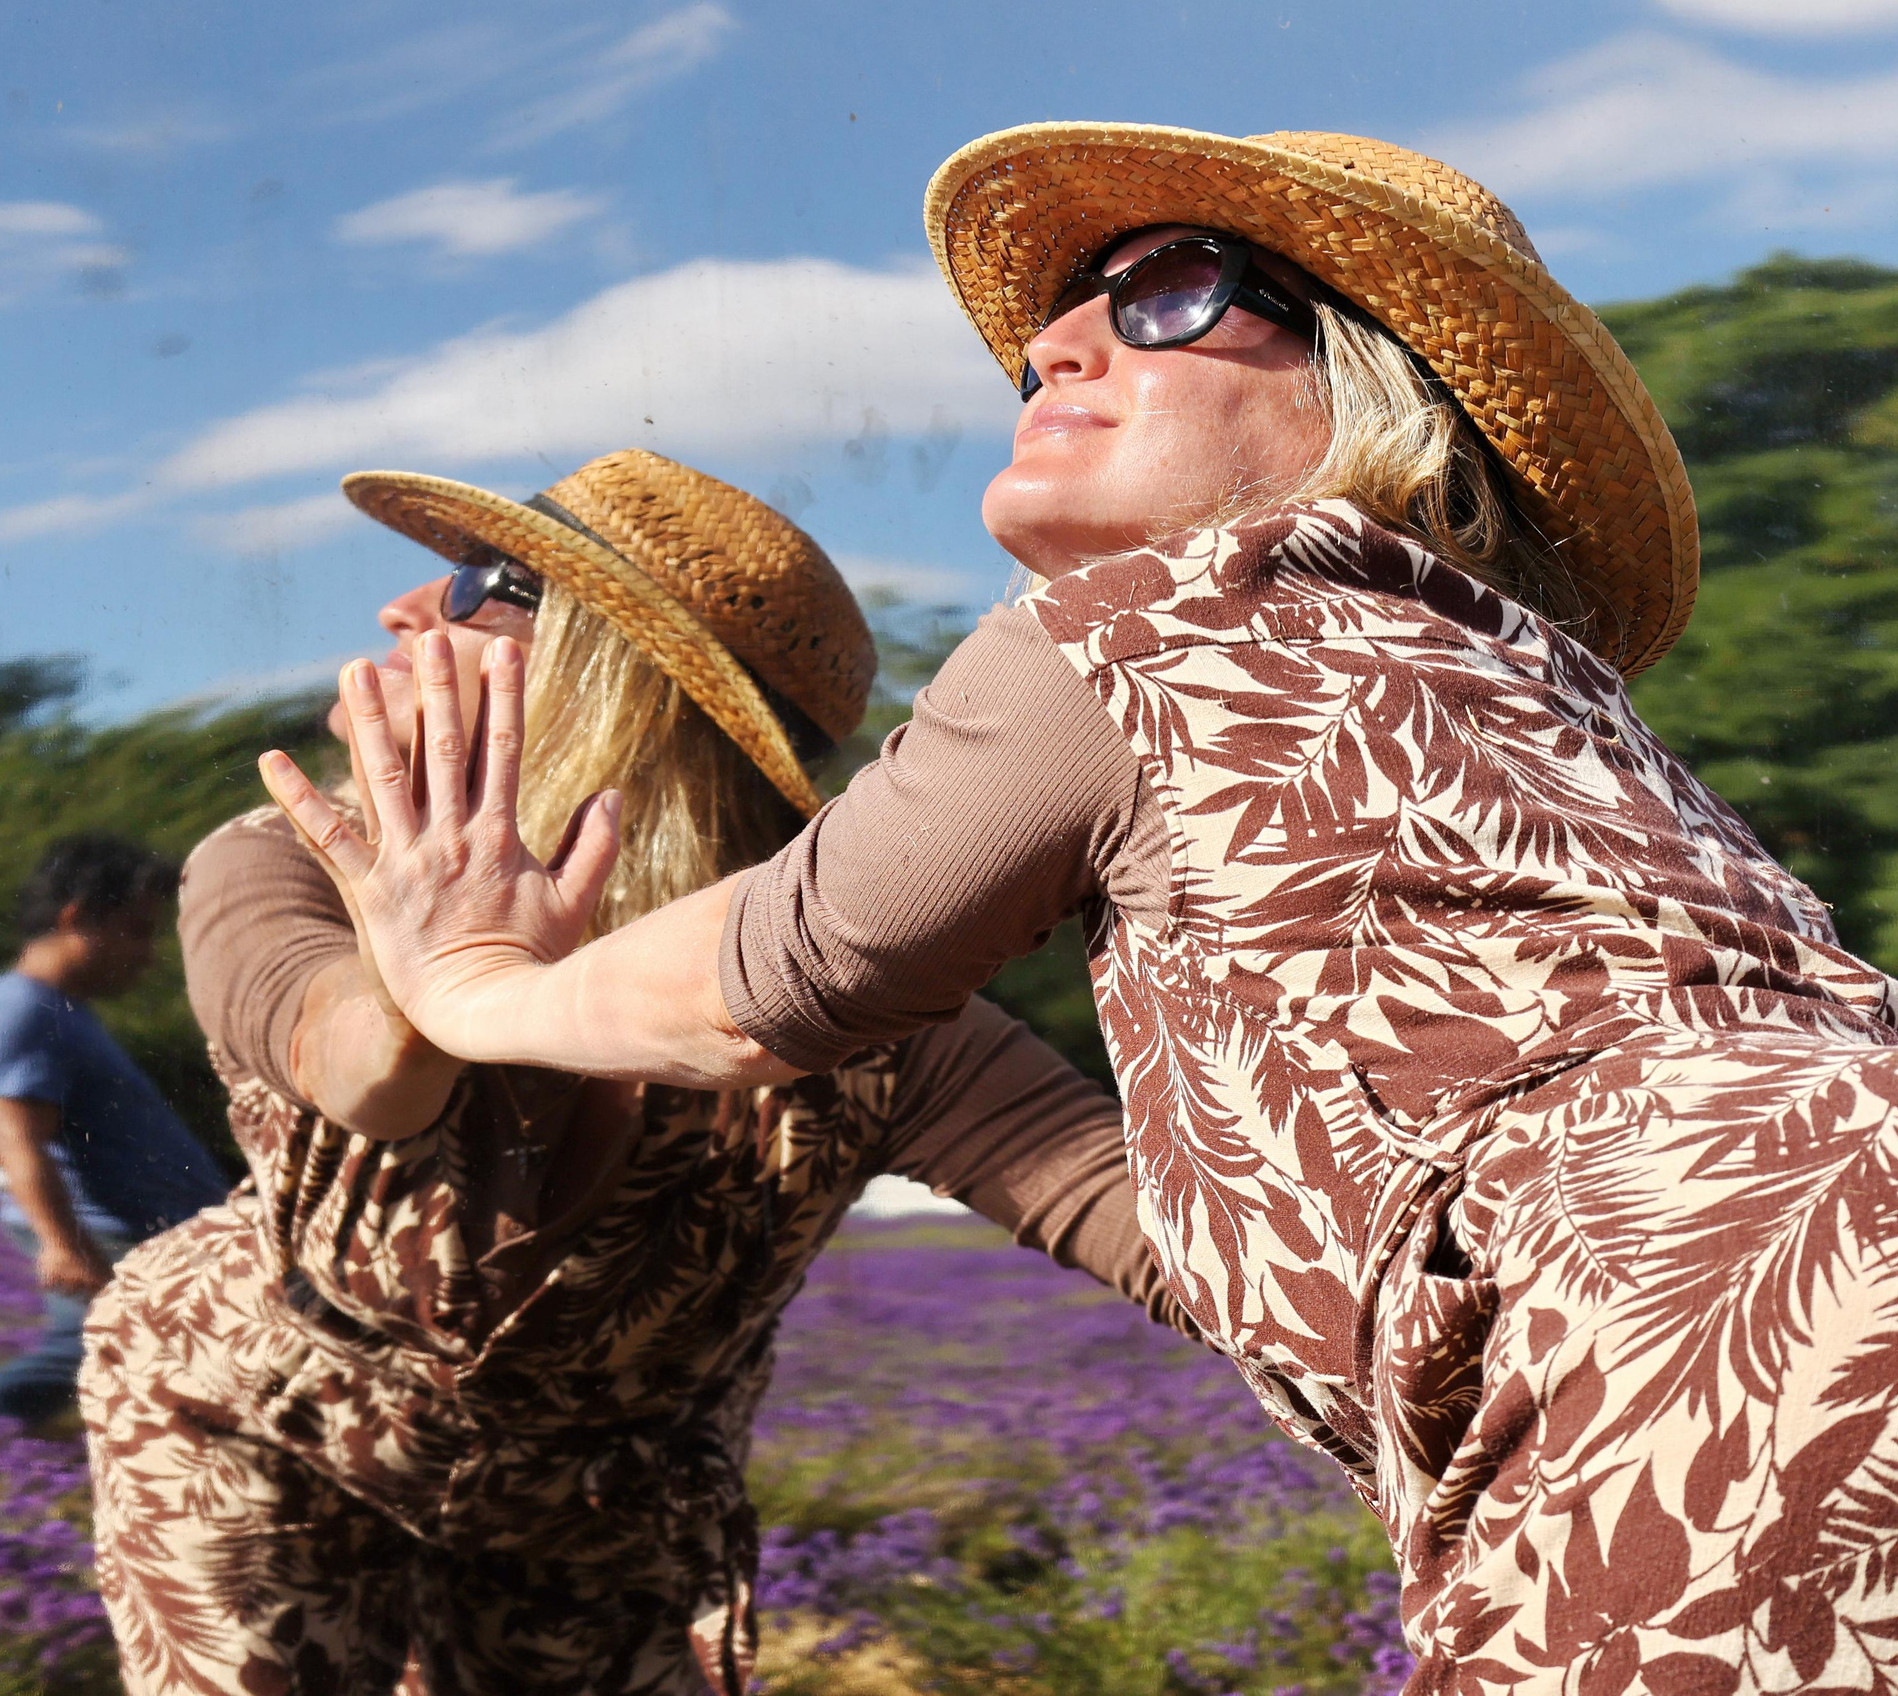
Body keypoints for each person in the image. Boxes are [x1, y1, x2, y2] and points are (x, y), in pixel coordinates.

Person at [265, 128, 1898, 1692]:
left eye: (1174, 291)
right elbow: (1155, 1208)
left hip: (1757, 1306)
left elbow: (782, 967)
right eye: (1055, 321)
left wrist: (473, 976)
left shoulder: (1155, 623)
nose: (1057, 343)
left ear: (1380, 396)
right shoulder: (1550, 701)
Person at [82, 449, 1178, 1696]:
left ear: (620, 688)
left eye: (481, 584)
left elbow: (1175, 1236)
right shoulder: (278, 860)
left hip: (600, 1510)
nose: (402, 605)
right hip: (254, 1418)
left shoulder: (865, 1012)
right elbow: (358, 1076)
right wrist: (444, 970)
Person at [0, 833, 229, 1428]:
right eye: (136, 931)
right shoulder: (18, 1010)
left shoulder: (61, 1012)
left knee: (123, 1360)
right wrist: (62, 1243)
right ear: (76, 918)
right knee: (84, 1355)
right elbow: (15, 1137)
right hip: (103, 1233)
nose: (148, 955)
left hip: (129, 1233)